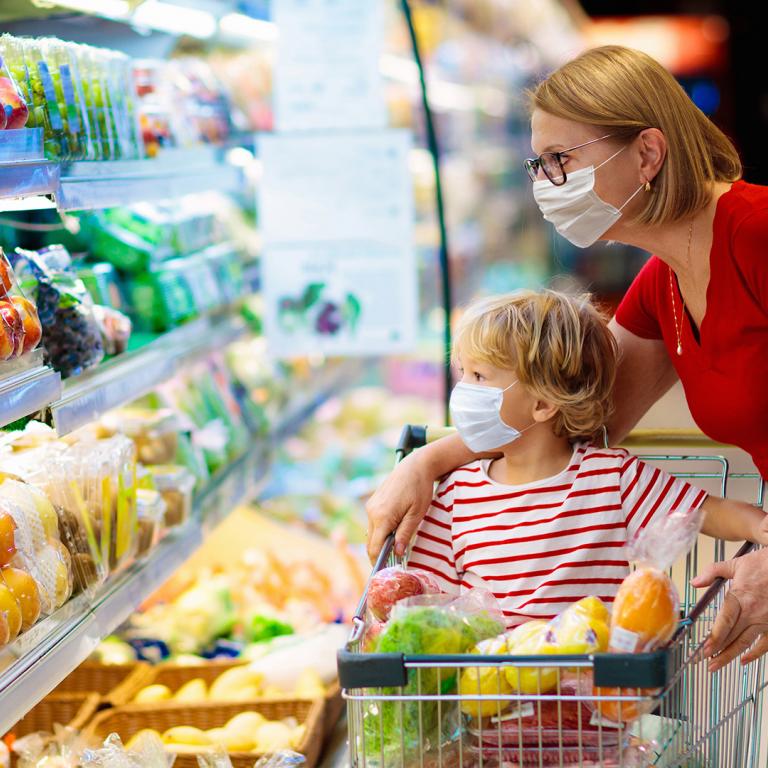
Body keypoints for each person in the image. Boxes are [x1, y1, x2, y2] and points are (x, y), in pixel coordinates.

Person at [367, 45, 768, 669]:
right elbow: (575, 411)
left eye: (562, 160)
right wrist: (427, 461)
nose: (544, 183)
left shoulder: (757, 233)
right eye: (537, 162)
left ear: (648, 154)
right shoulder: (662, 283)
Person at [404, 290, 767, 627]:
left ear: (543, 404)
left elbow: (706, 512)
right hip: (487, 692)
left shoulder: (611, 478)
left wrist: (758, 526)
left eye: (479, 376)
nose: (463, 391)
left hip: (591, 688)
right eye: (463, 373)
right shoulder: (455, 495)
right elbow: (426, 601)